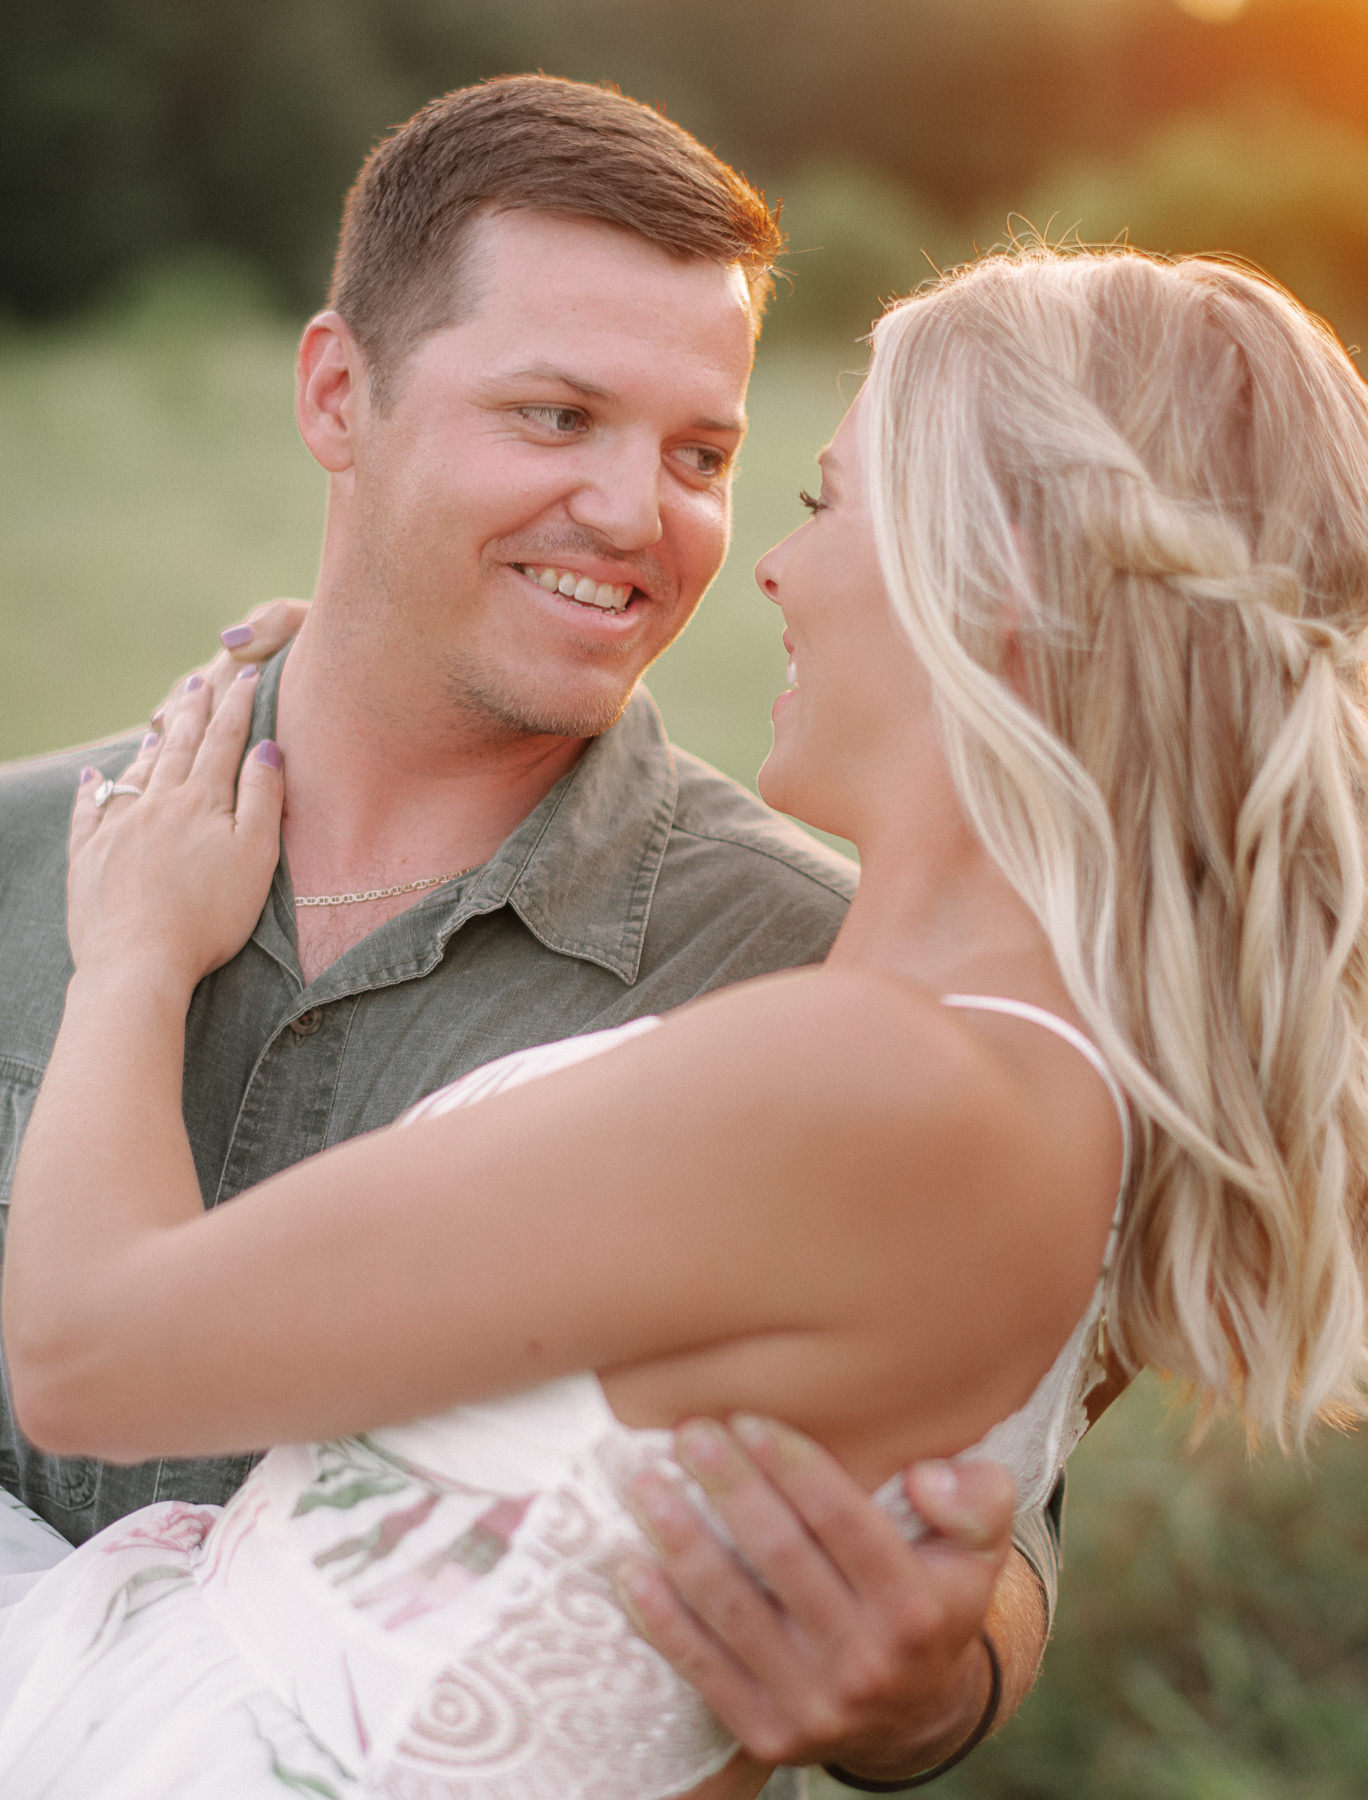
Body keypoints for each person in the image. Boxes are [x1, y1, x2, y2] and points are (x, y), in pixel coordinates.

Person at [6, 239, 1368, 1799]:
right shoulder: (1055, 1072)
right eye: (550, 417)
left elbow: (89, 1350)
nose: (765, 563)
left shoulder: (859, 1060)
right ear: (343, 399)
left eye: (811, 497)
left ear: (1000, 578)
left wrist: (127, 962)